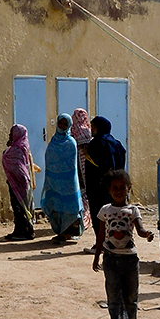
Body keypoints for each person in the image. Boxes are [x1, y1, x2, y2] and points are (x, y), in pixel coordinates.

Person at [91, 170, 154, 319]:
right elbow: (101, 236)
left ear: (128, 189)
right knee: (113, 294)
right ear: (109, 190)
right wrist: (97, 257)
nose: (118, 191)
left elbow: (140, 230)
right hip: (110, 259)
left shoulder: (133, 210)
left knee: (131, 294)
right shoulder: (105, 210)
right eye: (114, 188)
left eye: (122, 187)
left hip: (130, 261)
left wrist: (147, 234)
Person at [84, 116, 126, 253]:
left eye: (93, 127)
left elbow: (94, 165)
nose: (91, 130)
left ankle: (101, 244)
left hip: (98, 186)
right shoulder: (116, 143)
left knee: (100, 215)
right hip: (114, 186)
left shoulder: (96, 143)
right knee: (114, 214)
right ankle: (114, 242)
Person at [41, 114, 85, 243]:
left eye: (65, 124)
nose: (62, 126)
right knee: (55, 206)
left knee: (69, 208)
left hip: (68, 182)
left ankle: (66, 233)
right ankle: (62, 231)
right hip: (53, 180)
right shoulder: (53, 141)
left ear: (69, 126)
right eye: (60, 123)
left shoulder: (71, 142)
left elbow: (71, 164)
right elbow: (49, 159)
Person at [1, 124, 36, 241]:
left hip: (19, 181)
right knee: (18, 207)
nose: (9, 135)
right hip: (15, 181)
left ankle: (25, 231)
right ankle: (18, 230)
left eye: (11, 133)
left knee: (21, 207)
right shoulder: (19, 146)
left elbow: (13, 162)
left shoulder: (18, 148)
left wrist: (7, 150)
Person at [71, 108, 94, 231]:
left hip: (76, 165)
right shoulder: (88, 131)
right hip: (87, 165)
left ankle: (80, 218)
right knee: (87, 191)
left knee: (79, 190)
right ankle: (86, 218)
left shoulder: (72, 130)